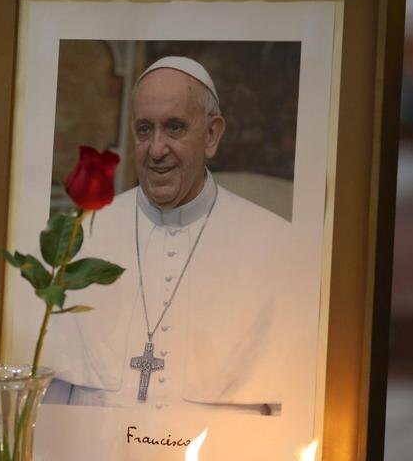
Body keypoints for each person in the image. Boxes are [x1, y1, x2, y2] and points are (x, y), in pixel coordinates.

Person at [41, 56, 305, 415]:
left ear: (211, 135)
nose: (156, 149)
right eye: (144, 129)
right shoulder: (81, 237)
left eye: (175, 127)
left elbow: (288, 411)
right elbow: (51, 400)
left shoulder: (276, 245)